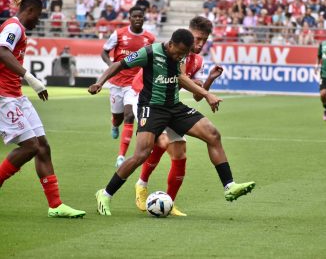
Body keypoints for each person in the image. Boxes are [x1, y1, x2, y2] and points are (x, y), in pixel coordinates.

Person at [89, 28, 256, 216]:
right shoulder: (149, 52)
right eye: (178, 53)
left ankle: (229, 186)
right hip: (151, 108)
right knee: (141, 154)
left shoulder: (180, 56)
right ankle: (105, 193)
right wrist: (100, 82)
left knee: (213, 134)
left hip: (174, 107)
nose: (180, 57)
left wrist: (207, 94)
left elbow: (181, 79)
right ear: (170, 44)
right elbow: (118, 65)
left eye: (184, 54)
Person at [0, 0, 85, 218]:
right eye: (38, 15)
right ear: (29, 11)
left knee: (43, 146)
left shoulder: (20, 29)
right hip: (3, 97)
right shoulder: (13, 26)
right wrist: (30, 77)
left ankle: (56, 205)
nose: (39, 19)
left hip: (15, 95)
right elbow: (1, 51)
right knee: (30, 147)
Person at [134, 16, 224, 216]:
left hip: (167, 106)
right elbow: (180, 79)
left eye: (203, 40)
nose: (199, 44)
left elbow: (195, 95)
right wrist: (206, 93)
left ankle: (168, 202)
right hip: (142, 99)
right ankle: (141, 186)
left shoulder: (196, 60)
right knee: (162, 141)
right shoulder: (172, 52)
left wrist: (208, 81)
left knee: (180, 151)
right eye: (197, 38)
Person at [89, 6, 155, 167]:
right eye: (135, 16)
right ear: (130, 18)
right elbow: (104, 52)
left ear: (144, 18)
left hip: (135, 85)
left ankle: (121, 156)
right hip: (116, 82)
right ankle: (114, 124)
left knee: (129, 115)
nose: (138, 19)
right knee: (118, 117)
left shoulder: (150, 38)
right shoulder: (119, 34)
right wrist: (112, 65)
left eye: (141, 16)